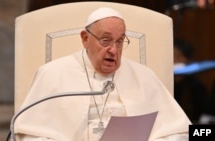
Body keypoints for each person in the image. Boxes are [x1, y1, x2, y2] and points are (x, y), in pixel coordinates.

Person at [15, 7, 191, 141]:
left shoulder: (143, 76)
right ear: (85, 39)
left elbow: (178, 131)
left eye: (120, 41)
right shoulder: (52, 74)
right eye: (105, 40)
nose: (113, 50)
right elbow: (29, 135)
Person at [173, 38, 209, 123]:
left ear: (188, 59)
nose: (174, 60)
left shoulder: (196, 87)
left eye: (179, 56)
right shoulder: (161, 83)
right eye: (172, 56)